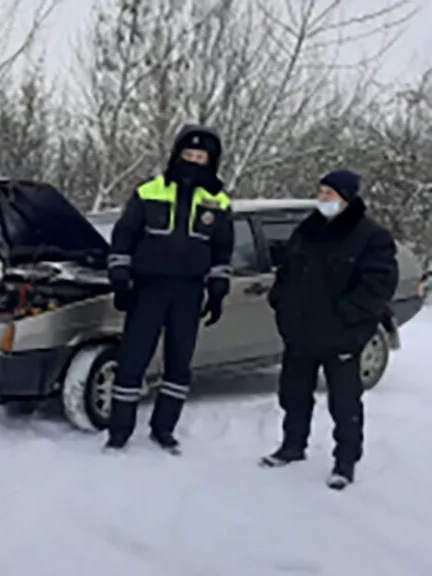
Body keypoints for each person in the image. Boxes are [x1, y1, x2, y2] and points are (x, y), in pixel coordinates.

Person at [262, 170, 398, 490]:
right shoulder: (308, 230)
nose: (323, 198)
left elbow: (378, 287)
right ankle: (292, 446)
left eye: (330, 194)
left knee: (344, 402)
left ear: (347, 198)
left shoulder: (370, 237)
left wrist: (348, 318)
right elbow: (287, 272)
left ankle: (345, 461)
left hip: (341, 335)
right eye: (321, 191)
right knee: (294, 394)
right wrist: (280, 301)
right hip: (300, 332)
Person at [105, 125, 234, 453]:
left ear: (211, 161)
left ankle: (164, 429)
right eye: (187, 155)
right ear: (176, 156)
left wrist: (218, 290)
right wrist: (121, 280)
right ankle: (119, 432)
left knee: (179, 364)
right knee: (133, 360)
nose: (193, 161)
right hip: (148, 289)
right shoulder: (149, 192)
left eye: (200, 157)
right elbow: (124, 237)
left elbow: (222, 249)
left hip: (189, 292)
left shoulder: (217, 201)